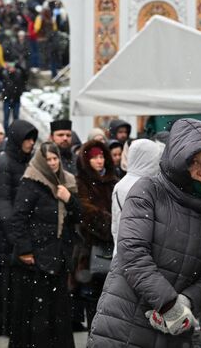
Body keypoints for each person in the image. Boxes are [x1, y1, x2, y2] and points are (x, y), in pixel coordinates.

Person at [88, 118, 201, 346]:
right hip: (124, 321)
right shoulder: (148, 191)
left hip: (175, 330)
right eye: (195, 162)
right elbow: (133, 253)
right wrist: (168, 304)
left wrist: (186, 303)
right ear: (180, 160)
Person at [8, 142, 80, 347]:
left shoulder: (67, 181)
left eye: (55, 158)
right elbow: (18, 218)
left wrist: (69, 199)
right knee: (36, 316)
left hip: (58, 258)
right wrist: (25, 250)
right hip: (37, 260)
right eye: (48, 159)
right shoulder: (31, 182)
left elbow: (77, 217)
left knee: (58, 313)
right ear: (41, 161)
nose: (53, 163)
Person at [0, 119, 38, 336]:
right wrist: (16, 237)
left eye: (33, 138)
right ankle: (2, 324)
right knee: (5, 282)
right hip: (7, 234)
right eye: (27, 138)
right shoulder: (5, 163)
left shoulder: (26, 161)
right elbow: (2, 203)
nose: (31, 143)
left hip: (19, 231)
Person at [74, 139, 118, 327]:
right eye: (94, 158)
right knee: (93, 296)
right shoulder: (81, 182)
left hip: (113, 245)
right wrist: (111, 224)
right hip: (90, 247)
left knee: (111, 299)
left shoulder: (112, 181)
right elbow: (86, 212)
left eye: (101, 156)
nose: (99, 161)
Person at [110, 139, 163, 251]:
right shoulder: (149, 185)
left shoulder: (121, 184)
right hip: (144, 252)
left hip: (122, 248)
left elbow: (115, 225)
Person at [0, 62, 28, 131]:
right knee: (6, 118)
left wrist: (19, 66)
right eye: (10, 67)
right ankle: (6, 133)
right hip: (7, 99)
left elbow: (26, 76)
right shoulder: (4, 74)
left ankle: (15, 132)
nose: (11, 69)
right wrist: (3, 67)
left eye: (12, 67)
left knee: (16, 118)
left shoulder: (19, 74)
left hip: (16, 99)